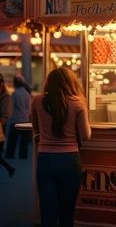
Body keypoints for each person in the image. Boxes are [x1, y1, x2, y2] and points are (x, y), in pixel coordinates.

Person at [31, 67, 91, 227]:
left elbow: (36, 130)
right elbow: (85, 136)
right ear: (71, 83)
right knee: (67, 212)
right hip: (70, 161)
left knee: (47, 212)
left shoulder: (37, 101)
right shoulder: (78, 103)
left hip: (46, 160)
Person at [6, 74, 32, 159]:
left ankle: (10, 155)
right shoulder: (26, 94)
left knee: (12, 139)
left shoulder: (15, 94)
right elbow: (29, 107)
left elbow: (11, 107)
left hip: (16, 119)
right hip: (25, 119)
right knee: (24, 140)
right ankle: (23, 155)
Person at [0, 73, 15, 177]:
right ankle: (10, 168)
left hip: (0, 130)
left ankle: (10, 168)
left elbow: (6, 115)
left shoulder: (6, 97)